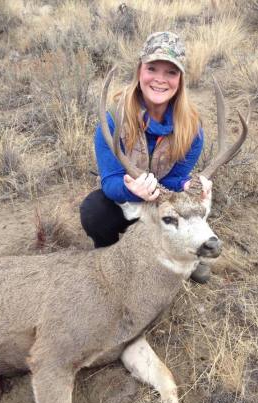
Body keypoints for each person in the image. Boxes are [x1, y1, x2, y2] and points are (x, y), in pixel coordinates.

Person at [80, 31, 211, 283]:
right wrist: (132, 190)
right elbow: (110, 182)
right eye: (152, 69)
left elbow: (176, 179)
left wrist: (188, 185)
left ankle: (186, 256)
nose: (160, 80)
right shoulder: (112, 120)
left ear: (180, 79)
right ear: (140, 70)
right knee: (94, 211)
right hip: (128, 201)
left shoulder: (192, 129)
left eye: (171, 72)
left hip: (163, 205)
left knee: (191, 204)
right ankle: (108, 258)